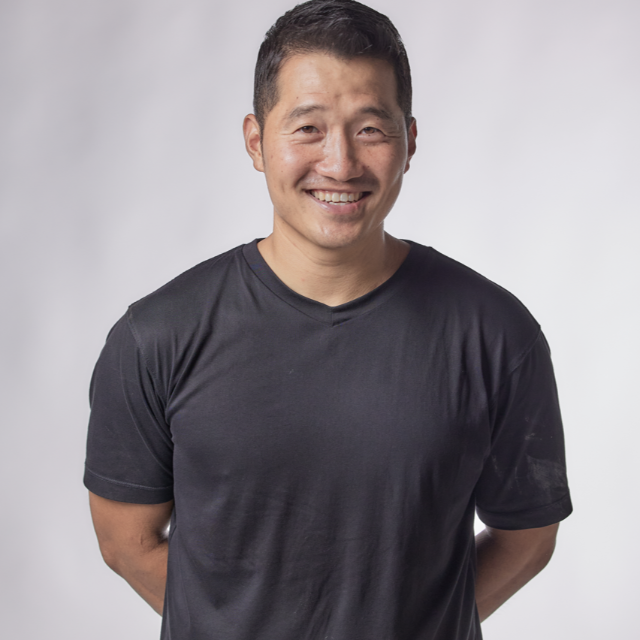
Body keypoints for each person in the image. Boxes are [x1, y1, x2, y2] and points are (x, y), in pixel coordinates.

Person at [85, 1, 572, 638]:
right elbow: (127, 542)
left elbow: (528, 537)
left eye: (370, 129)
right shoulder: (157, 337)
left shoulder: (496, 334)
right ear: (256, 142)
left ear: (409, 142)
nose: (340, 164)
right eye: (308, 128)